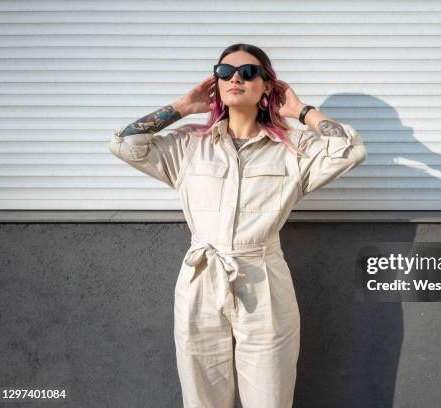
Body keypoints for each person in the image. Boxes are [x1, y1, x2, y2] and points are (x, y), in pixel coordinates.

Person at [108, 43, 367, 408]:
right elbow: (125, 143)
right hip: (201, 279)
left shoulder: (294, 148)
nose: (235, 78)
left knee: (270, 398)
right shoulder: (189, 146)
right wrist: (183, 107)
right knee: (203, 399)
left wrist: (300, 110)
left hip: (263, 282)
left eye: (248, 73)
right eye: (224, 71)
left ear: (266, 87)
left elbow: (350, 149)